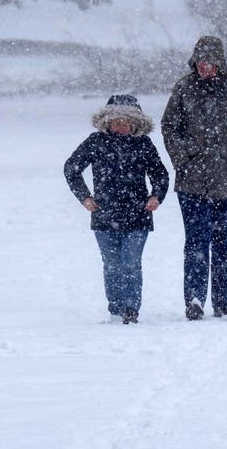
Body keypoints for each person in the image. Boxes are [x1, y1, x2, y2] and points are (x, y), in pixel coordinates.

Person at [162, 36, 227, 320]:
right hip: (191, 182)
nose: (204, 68)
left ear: (219, 61)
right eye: (200, 62)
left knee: (222, 244)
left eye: (209, 62)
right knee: (195, 242)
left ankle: (222, 301)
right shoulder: (184, 88)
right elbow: (169, 127)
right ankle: (194, 299)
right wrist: (183, 158)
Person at [64, 94, 169, 324]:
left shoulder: (143, 144)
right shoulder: (95, 142)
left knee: (131, 262)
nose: (120, 125)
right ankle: (115, 307)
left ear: (135, 123)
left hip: (138, 214)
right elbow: (71, 168)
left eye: (125, 121)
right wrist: (84, 197)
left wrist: (156, 197)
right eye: (116, 120)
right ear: (106, 121)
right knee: (112, 265)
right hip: (104, 214)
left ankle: (131, 309)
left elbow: (160, 175)